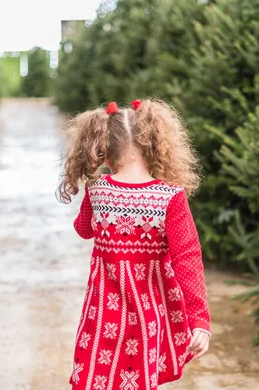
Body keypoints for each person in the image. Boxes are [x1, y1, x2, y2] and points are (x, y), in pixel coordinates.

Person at [57, 99, 211, 390]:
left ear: (105, 151)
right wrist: (199, 319)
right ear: (153, 144)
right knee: (137, 379)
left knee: (97, 375)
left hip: (102, 312)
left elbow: (83, 230)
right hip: (148, 312)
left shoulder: (97, 190)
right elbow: (187, 258)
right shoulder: (170, 197)